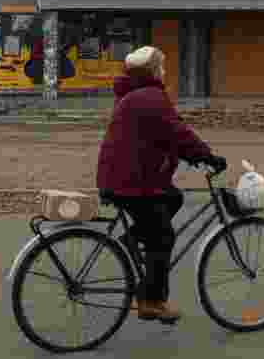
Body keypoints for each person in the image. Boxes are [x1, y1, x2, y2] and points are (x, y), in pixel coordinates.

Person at [96, 46, 226, 323]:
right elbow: (177, 132)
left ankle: (134, 237)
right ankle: (152, 301)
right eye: (162, 67)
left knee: (173, 198)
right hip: (133, 181)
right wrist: (207, 156)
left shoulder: (135, 95)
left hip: (125, 177)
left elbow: (165, 134)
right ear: (152, 71)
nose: (165, 72)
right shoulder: (150, 97)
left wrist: (191, 154)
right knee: (163, 237)